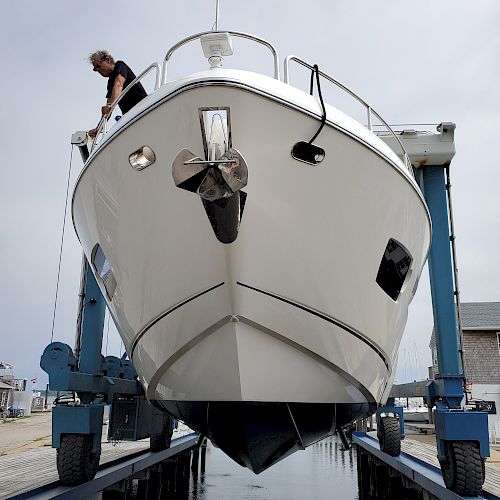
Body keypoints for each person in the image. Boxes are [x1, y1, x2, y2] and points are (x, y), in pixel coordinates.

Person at [88, 50, 147, 137]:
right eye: (95, 69)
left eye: (98, 66)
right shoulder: (110, 83)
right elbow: (109, 108)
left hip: (144, 107)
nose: (97, 70)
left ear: (107, 60)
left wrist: (110, 105)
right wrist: (98, 128)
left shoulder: (120, 65)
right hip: (130, 116)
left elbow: (119, 83)